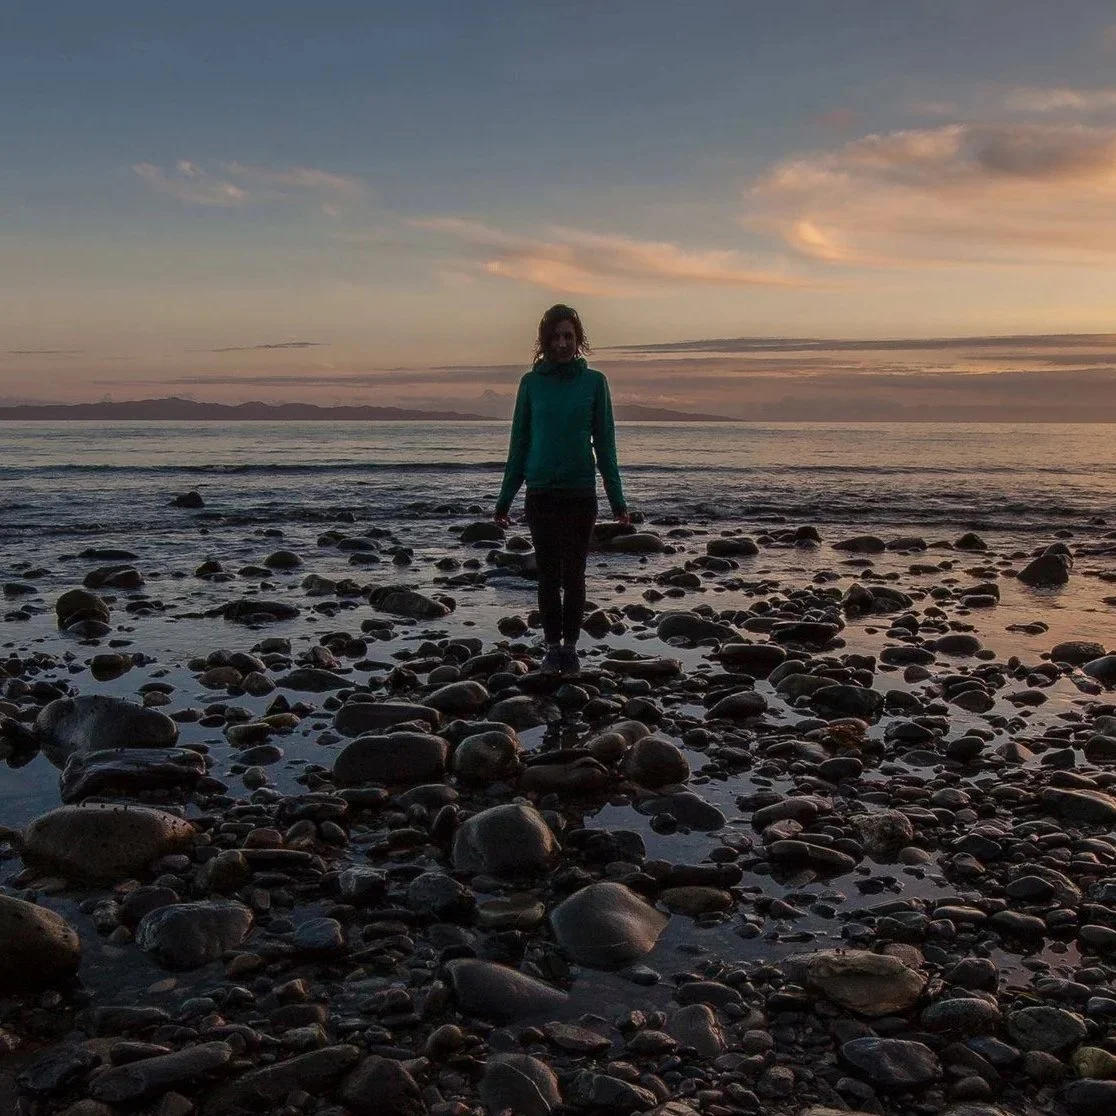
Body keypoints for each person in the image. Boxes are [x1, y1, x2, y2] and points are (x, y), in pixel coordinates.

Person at [493, 304, 631, 676]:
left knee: (575, 575)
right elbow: (519, 445)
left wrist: (618, 502)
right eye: (555, 336)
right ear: (545, 340)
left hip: (580, 494)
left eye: (569, 336)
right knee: (548, 575)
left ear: (578, 339)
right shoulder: (531, 384)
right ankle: (551, 648)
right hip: (541, 493)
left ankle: (571, 649)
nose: (562, 343)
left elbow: (605, 445)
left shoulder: (594, 383)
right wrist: (503, 500)